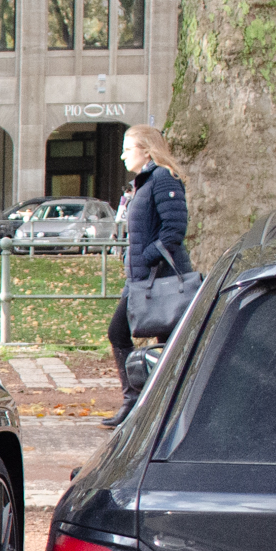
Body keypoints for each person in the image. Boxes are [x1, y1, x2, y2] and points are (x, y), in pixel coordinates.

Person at [102, 125, 188, 429]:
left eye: (128, 148)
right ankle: (138, 402)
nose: (123, 154)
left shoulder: (163, 178)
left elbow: (174, 229)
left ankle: (148, 405)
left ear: (147, 151)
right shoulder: (144, 182)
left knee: (158, 341)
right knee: (122, 333)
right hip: (140, 280)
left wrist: (146, 256)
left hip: (160, 280)